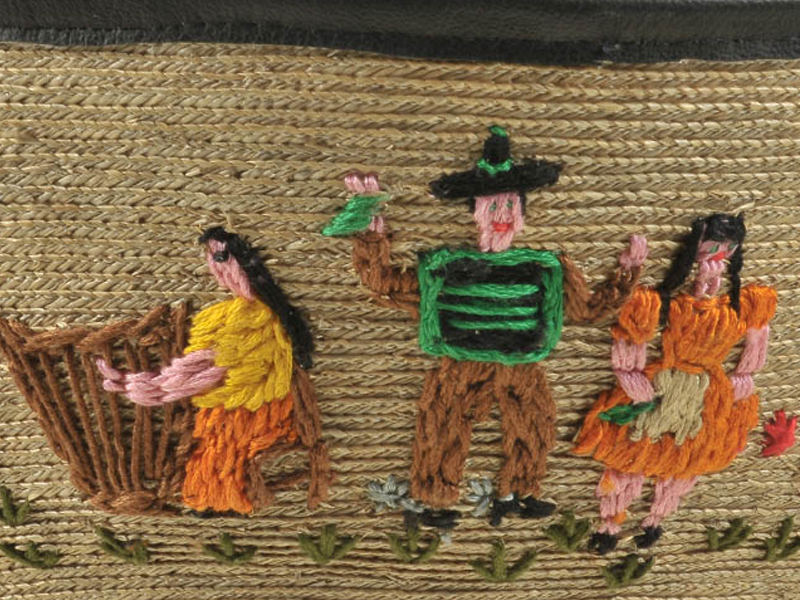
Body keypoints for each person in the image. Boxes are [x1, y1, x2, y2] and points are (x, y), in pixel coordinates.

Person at [338, 126, 647, 527]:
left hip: (522, 363)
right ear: (476, 212)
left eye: (510, 207)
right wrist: (370, 233)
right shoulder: (445, 268)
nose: (502, 217)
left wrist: (627, 273)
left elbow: (587, 311)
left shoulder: (544, 268)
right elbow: (386, 285)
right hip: (461, 363)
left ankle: (516, 493)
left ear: (521, 214)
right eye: (493, 207)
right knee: (443, 423)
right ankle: (432, 501)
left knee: (534, 423)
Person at [574, 213, 777, 553]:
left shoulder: (740, 306)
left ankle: (655, 521)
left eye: (726, 249)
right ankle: (610, 524)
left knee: (684, 465)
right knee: (634, 457)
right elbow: (634, 336)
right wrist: (630, 375)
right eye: (711, 247)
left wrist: (743, 378)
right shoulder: (668, 304)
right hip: (665, 385)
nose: (717, 257)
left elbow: (756, 340)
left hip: (706, 397)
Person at [97, 226, 332, 514]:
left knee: (221, 451)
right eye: (215, 259)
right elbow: (203, 367)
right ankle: (215, 500)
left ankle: (219, 500)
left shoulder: (249, 319)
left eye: (221, 259)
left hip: (248, 412)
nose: (218, 269)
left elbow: (205, 368)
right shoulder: (260, 317)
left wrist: (153, 386)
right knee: (215, 450)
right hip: (250, 408)